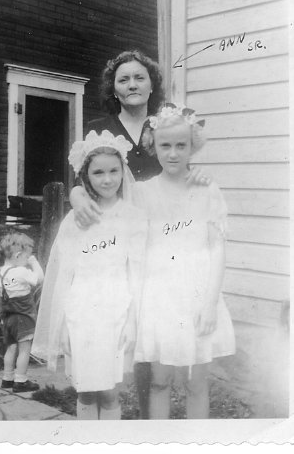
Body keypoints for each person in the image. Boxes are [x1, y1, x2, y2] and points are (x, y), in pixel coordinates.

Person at [70, 48, 210, 419]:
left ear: (152, 85)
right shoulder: (100, 127)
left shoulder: (164, 125)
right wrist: (76, 192)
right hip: (118, 239)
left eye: (139, 77)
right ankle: (104, 401)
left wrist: (195, 177)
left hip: (162, 238)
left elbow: (181, 164)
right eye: (123, 79)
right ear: (113, 89)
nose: (132, 84)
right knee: (120, 324)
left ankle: (151, 420)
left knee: (153, 330)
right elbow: (83, 173)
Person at [32, 130, 147, 420]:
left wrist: (133, 322)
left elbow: (138, 275)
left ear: (123, 171)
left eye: (113, 171)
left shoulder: (133, 218)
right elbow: (63, 276)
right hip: (80, 312)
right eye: (98, 173)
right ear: (85, 177)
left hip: (117, 312)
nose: (107, 179)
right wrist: (62, 327)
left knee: (109, 392)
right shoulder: (75, 219)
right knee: (84, 390)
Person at [132, 104, 235, 419]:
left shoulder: (207, 188)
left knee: (196, 383)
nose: (173, 153)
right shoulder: (143, 192)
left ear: (193, 146)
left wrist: (209, 303)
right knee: (159, 382)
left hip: (197, 295)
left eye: (181, 145)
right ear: (153, 146)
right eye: (165, 145)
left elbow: (217, 248)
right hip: (159, 297)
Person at [0, 231, 44, 392]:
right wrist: (34, 263)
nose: (27, 261)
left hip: (8, 318)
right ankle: (20, 381)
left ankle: (7, 378)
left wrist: (2, 315)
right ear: (17, 256)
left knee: (10, 347)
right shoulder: (22, 272)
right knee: (24, 350)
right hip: (24, 317)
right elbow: (39, 279)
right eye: (25, 257)